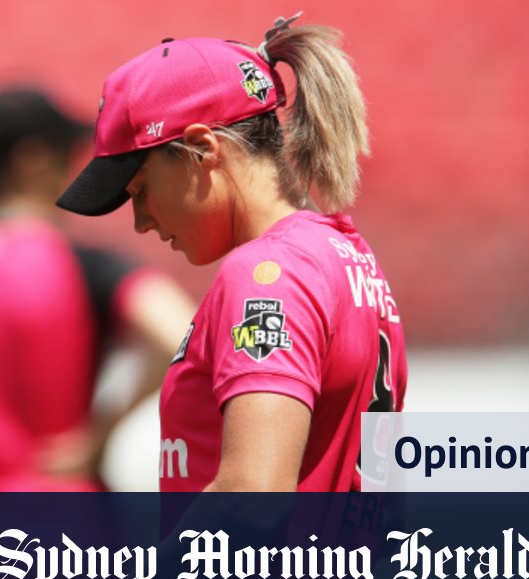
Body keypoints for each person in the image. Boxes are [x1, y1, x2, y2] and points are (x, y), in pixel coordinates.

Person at [57, 15, 407, 493]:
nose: (140, 221)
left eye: (140, 190)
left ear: (202, 148)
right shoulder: (350, 256)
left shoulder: (267, 274)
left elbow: (252, 497)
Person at [0, 87, 196, 492]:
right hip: (71, 512)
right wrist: (103, 431)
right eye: (66, 154)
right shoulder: (81, 263)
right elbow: (185, 333)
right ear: (33, 159)